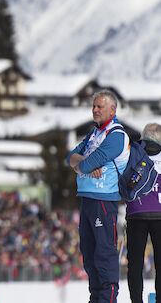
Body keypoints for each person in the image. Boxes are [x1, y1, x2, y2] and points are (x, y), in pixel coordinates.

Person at [67, 90, 130, 303]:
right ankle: (96, 298)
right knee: (89, 254)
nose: (94, 110)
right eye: (93, 106)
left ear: (112, 109)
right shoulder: (94, 133)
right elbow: (71, 157)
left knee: (104, 253)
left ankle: (108, 299)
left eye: (99, 106)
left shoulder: (116, 135)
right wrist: (83, 163)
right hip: (87, 198)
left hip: (104, 199)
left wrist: (82, 164)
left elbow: (85, 163)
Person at [126, 123, 161, 303]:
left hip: (136, 212)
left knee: (135, 265)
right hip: (160, 215)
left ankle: (136, 301)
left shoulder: (133, 152)